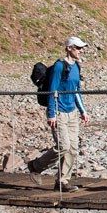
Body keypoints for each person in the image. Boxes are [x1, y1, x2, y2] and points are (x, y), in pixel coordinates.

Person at [31, 36, 89, 191]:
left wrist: (83, 111)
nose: (80, 51)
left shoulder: (76, 66)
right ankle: (36, 166)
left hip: (72, 112)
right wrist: (51, 113)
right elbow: (53, 90)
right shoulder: (59, 66)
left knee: (73, 149)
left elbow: (76, 91)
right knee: (63, 145)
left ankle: (62, 182)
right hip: (59, 111)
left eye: (81, 48)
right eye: (77, 48)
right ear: (69, 48)